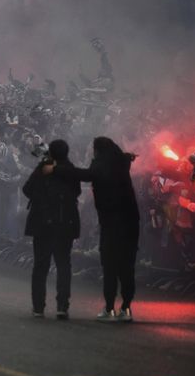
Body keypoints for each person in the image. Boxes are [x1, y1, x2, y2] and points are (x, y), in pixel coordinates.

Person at [49, 136, 140, 322]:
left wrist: (56, 169)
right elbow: (123, 157)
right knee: (127, 266)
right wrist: (128, 156)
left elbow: (82, 175)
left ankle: (109, 308)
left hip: (112, 223)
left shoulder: (101, 167)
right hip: (131, 223)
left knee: (110, 265)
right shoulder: (120, 164)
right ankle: (126, 308)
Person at [22, 140, 81, 318]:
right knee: (63, 264)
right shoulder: (70, 170)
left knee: (41, 266)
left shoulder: (44, 169)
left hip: (43, 225)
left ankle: (38, 307)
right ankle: (63, 306)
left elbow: (27, 188)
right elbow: (77, 191)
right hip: (65, 224)